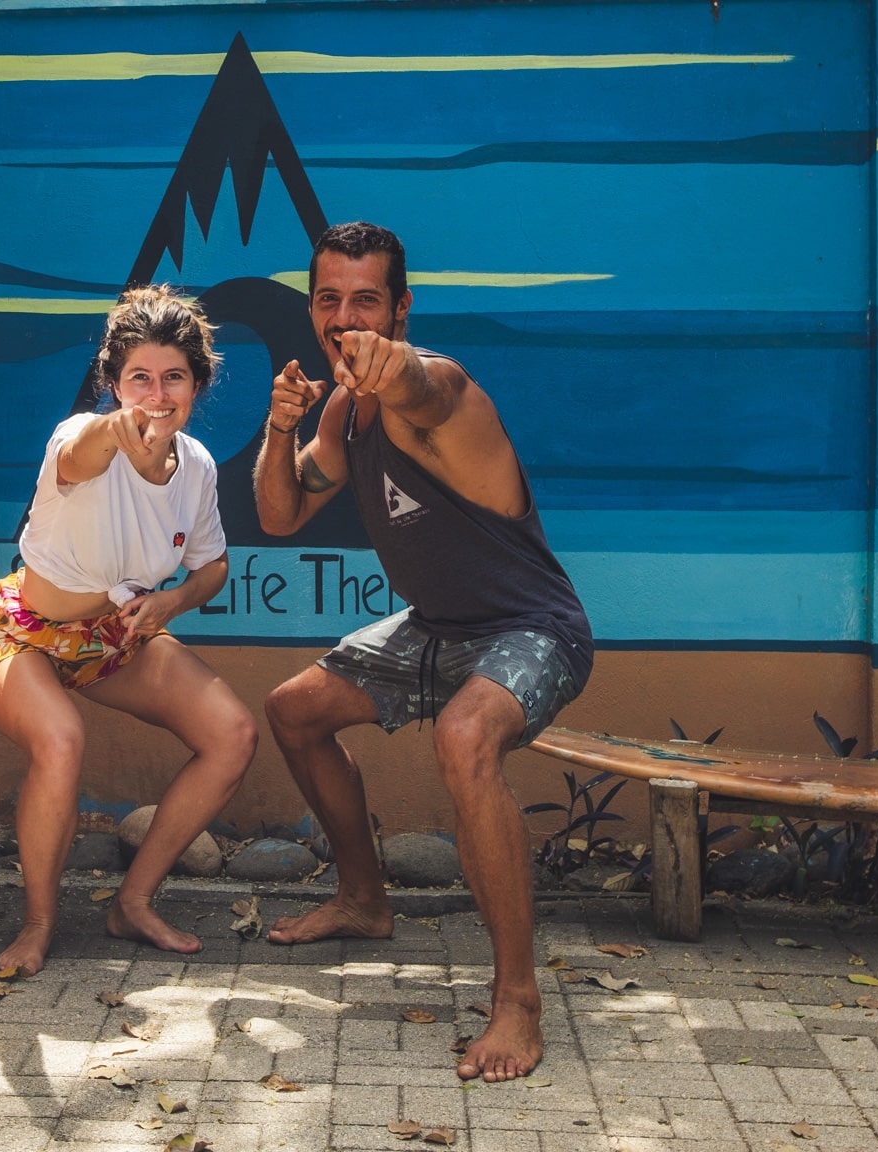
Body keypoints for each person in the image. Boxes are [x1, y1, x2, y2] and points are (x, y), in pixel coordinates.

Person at [253, 222, 595, 1082]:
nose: (344, 318)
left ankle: (517, 998)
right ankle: (365, 900)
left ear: (401, 308)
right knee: (294, 711)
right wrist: (276, 426)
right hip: (435, 628)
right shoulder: (341, 410)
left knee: (465, 737)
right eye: (328, 299)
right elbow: (281, 513)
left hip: (533, 629)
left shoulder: (440, 391)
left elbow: (424, 384)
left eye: (366, 300)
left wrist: (392, 364)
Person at [0, 285, 257, 977]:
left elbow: (212, 567)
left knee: (231, 735)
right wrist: (123, 432)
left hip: (113, 636)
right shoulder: (78, 437)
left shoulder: (200, 467)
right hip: (21, 632)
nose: (157, 393)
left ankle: (133, 902)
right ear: (113, 385)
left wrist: (171, 603)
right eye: (140, 379)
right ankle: (38, 923)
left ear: (198, 383)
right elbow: (93, 446)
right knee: (61, 739)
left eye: (173, 377)